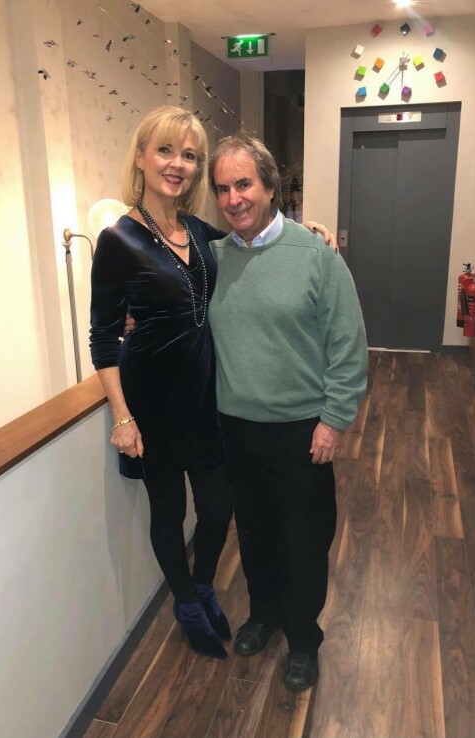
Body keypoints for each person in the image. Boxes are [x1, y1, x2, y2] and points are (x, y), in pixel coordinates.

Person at [90, 106, 332, 661]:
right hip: (152, 400)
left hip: (207, 401)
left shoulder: (199, 232)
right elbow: (102, 337)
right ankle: (186, 602)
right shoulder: (117, 240)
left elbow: (256, 243)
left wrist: (306, 231)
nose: (178, 164)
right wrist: (122, 417)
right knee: (169, 511)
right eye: (165, 151)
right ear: (141, 157)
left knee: (219, 508)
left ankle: (202, 586)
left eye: (189, 155)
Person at [207, 133, 368, 691]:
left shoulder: (316, 255)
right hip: (236, 427)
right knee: (255, 536)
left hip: (302, 430)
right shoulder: (214, 259)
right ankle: (265, 614)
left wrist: (334, 419)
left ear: (271, 186)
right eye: (223, 189)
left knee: (304, 539)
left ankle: (303, 638)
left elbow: (348, 343)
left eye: (244, 184)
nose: (234, 198)